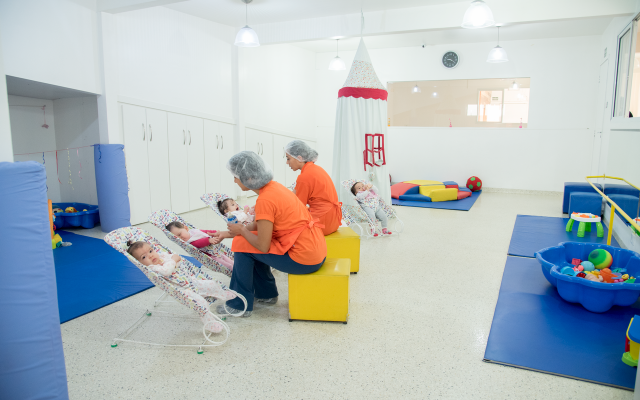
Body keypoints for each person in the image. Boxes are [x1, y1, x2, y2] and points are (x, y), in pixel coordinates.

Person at [210, 151, 326, 317]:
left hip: (303, 259)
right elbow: (260, 226)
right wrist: (225, 233)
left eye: (236, 176)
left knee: (241, 245)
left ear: (249, 178)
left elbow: (262, 246)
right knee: (246, 242)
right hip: (314, 251)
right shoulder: (275, 188)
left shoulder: (265, 200)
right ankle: (266, 295)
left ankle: (239, 306)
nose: (234, 180)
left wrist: (241, 230)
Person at [126, 240, 237, 332]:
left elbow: (176, 257)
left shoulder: (162, 256)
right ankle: (210, 323)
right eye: (144, 257)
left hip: (189, 281)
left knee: (212, 284)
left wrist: (173, 261)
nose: (150, 255)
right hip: (182, 289)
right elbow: (167, 270)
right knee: (201, 304)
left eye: (151, 251)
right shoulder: (153, 268)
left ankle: (222, 294)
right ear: (140, 263)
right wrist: (173, 261)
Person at [285, 140, 341, 236]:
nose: (287, 162)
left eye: (288, 158)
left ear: (299, 158)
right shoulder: (316, 169)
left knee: (282, 227)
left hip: (323, 222)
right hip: (334, 220)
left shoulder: (304, 176)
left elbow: (297, 206)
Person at [165, 221, 234, 270]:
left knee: (228, 259)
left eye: (180, 234)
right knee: (226, 265)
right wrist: (208, 240)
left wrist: (214, 232)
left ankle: (236, 266)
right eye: (177, 238)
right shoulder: (189, 243)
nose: (180, 238)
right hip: (211, 257)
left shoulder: (193, 231)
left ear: (186, 228)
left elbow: (204, 232)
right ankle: (234, 270)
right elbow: (198, 243)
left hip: (216, 251)